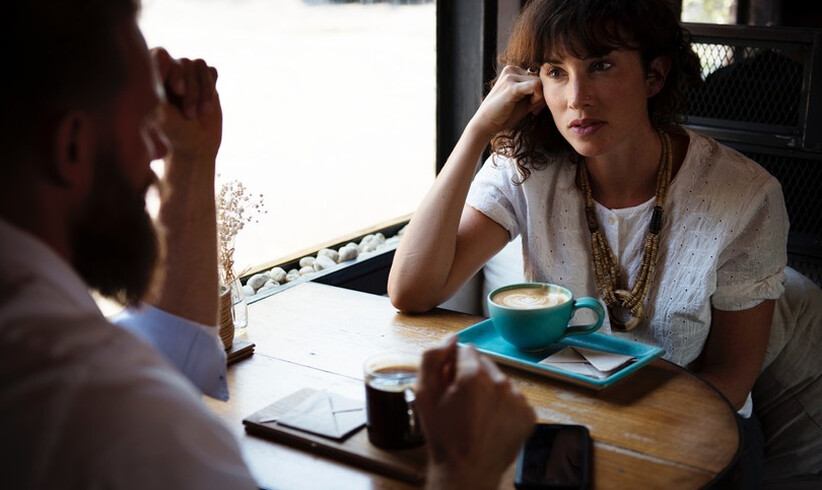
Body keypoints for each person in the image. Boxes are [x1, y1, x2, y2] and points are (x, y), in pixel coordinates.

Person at [0, 1, 535, 489]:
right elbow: (134, 398)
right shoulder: (112, 419)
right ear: (71, 146)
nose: (155, 156)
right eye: (143, 127)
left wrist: (192, 158)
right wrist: (464, 471)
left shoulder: (41, 339)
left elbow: (165, 353)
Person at [388, 0, 788, 487]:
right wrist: (477, 131)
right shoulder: (527, 168)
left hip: (697, 427)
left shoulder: (746, 195)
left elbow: (732, 375)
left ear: (654, 75)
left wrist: (609, 436)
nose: (577, 98)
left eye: (601, 65)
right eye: (556, 71)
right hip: (563, 420)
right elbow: (412, 290)